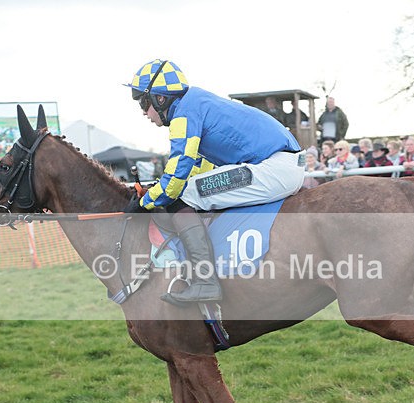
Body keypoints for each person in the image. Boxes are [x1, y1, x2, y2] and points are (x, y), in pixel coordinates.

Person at [124, 59, 304, 305]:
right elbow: (199, 166)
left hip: (273, 168)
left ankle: (205, 282)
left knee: (180, 196)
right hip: (282, 164)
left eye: (143, 103)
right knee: (187, 191)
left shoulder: (185, 113)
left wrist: (145, 202)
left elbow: (176, 178)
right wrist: (158, 190)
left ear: (160, 99)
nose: (143, 112)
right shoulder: (195, 103)